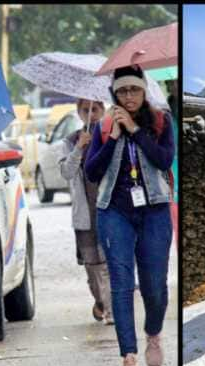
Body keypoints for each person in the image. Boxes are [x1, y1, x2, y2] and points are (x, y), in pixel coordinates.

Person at [84, 65, 174, 366]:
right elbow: (92, 172)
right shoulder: (105, 124)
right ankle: (128, 356)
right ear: (114, 93)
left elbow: (164, 160)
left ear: (143, 90)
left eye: (133, 89)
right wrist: (112, 138)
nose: (128, 96)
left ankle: (152, 333)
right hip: (115, 211)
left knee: (155, 287)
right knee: (121, 284)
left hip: (155, 210)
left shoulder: (161, 120)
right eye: (122, 91)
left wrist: (136, 130)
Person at [59, 98, 114, 325]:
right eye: (85, 110)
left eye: (96, 109)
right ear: (79, 113)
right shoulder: (71, 140)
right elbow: (66, 172)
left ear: (103, 110)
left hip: (110, 209)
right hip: (85, 214)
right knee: (93, 269)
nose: (91, 114)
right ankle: (100, 302)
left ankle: (111, 311)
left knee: (109, 265)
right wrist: (80, 148)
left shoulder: (111, 137)